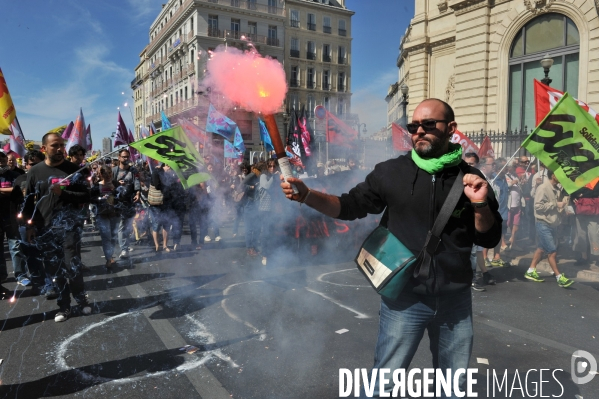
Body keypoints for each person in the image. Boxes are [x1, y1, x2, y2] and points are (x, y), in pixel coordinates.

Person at [281, 98, 502, 397]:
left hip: (456, 302)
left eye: (428, 125)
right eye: (414, 126)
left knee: (453, 387)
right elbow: (348, 206)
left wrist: (479, 205)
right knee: (384, 384)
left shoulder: (472, 178)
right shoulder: (391, 172)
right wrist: (308, 195)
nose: (419, 131)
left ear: (451, 129)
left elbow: (488, 238)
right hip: (405, 300)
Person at [23, 133, 92, 322]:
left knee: (72, 265)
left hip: (70, 227)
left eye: (62, 145)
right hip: (46, 228)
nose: (60, 149)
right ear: (44, 149)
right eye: (55, 146)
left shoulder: (73, 169)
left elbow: (86, 196)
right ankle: (64, 306)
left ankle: (81, 300)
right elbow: (29, 201)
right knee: (55, 268)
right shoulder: (35, 171)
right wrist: (29, 227)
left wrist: (64, 192)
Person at [524, 169, 574, 287]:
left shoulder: (557, 188)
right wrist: (556, 204)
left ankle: (531, 270)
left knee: (541, 248)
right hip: (543, 223)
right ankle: (559, 277)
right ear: (553, 176)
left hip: (553, 223)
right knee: (552, 251)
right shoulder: (543, 188)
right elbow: (538, 206)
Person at [463, 152, 496, 290]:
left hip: (479, 222)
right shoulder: (461, 179)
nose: (468, 166)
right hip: (465, 223)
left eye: (471, 163)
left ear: (477, 165)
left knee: (477, 251)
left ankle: (481, 275)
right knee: (472, 252)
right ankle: (473, 279)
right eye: (466, 163)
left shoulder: (484, 179)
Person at [0, 151, 24, 285]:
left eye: (2, 158)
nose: (1, 161)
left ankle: (20, 275)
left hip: (11, 215)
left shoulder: (15, 175)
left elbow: (18, 190)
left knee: (15, 246)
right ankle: (2, 275)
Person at [112, 149, 140, 259]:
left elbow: (136, 182)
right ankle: (124, 249)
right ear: (119, 157)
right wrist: (117, 183)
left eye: (127, 156)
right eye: (123, 157)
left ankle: (126, 246)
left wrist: (137, 193)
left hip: (130, 201)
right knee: (121, 226)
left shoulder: (133, 170)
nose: (125, 159)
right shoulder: (114, 170)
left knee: (128, 226)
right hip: (119, 202)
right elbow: (109, 183)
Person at [91, 166, 120, 269]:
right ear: (101, 175)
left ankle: (110, 255)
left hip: (114, 214)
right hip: (102, 214)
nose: (108, 177)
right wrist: (100, 199)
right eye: (105, 175)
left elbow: (122, 196)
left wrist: (115, 191)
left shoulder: (115, 184)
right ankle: (108, 258)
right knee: (106, 236)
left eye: (109, 174)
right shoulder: (96, 186)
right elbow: (92, 199)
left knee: (113, 236)